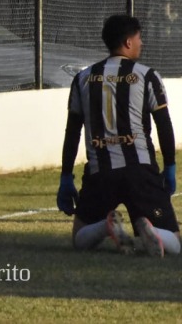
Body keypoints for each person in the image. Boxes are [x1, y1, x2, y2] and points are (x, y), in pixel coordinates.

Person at [56, 14, 180, 257]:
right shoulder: (147, 75)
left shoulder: (82, 78)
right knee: (175, 242)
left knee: (80, 238)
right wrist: (170, 166)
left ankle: (106, 225)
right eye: (139, 37)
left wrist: (66, 176)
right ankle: (153, 233)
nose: (142, 43)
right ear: (128, 42)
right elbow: (164, 124)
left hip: (100, 172)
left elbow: (72, 131)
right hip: (140, 170)